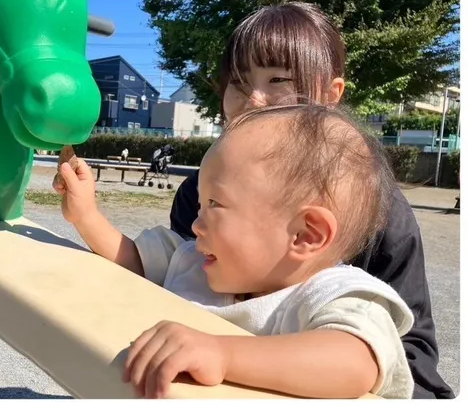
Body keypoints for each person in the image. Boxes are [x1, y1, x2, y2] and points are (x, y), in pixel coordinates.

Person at [169, 2, 454, 399]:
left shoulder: (379, 210)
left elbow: (410, 354)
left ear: (331, 93)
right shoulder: (197, 192)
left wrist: (236, 357)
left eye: (280, 80)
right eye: (238, 81)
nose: (253, 98)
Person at [54, 103, 415, 398]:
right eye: (200, 205)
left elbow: (353, 364)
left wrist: (223, 354)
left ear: (305, 235)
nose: (196, 225)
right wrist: (85, 215)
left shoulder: (338, 298)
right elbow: (131, 260)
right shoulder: (195, 260)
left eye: (215, 204)